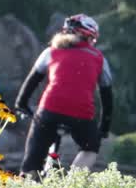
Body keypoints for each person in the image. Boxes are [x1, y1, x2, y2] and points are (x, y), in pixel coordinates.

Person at [14, 13, 114, 176]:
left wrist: (21, 105)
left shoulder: (50, 52)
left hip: (49, 110)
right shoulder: (99, 58)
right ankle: (72, 184)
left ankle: (27, 182)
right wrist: (103, 128)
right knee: (90, 148)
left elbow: (31, 82)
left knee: (32, 161)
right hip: (81, 115)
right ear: (88, 37)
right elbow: (107, 96)